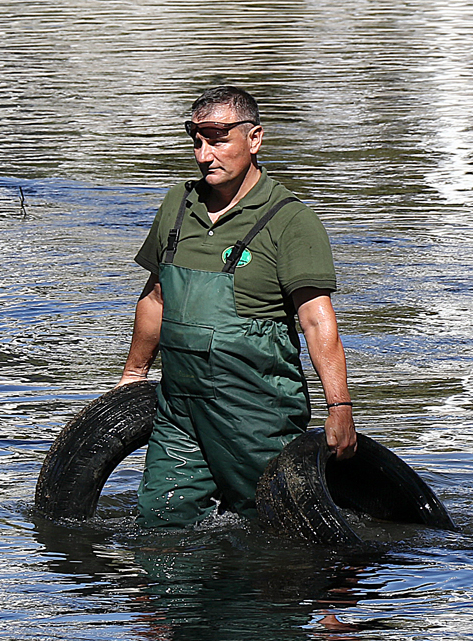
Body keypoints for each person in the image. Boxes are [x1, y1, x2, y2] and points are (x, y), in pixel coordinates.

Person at [118, 85, 356, 528]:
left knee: (275, 527)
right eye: (198, 141)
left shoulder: (290, 220)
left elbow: (316, 319)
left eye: (219, 139)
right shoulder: (177, 205)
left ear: (255, 138)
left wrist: (338, 407)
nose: (205, 155)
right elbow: (155, 297)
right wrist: (134, 374)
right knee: (161, 521)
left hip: (256, 411)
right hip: (179, 408)